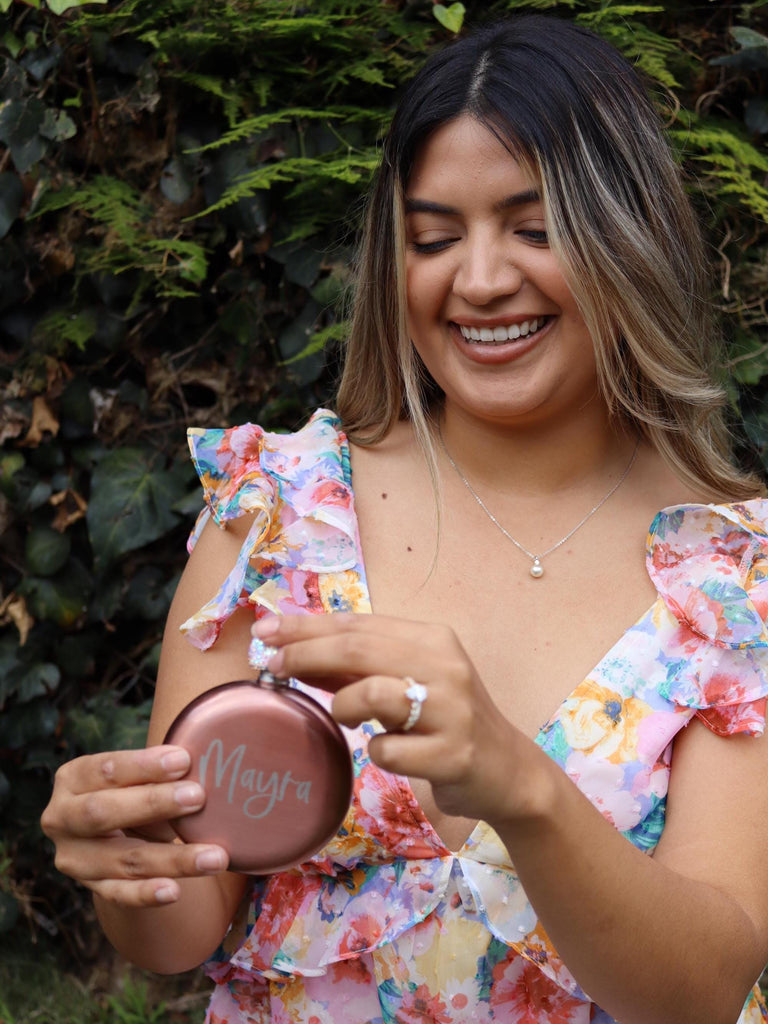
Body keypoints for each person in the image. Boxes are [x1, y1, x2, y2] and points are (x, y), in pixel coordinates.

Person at [41, 14, 768, 1024]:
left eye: (533, 227)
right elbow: (185, 924)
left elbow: (700, 988)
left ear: (626, 234)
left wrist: (524, 786)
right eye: (434, 238)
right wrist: (132, 869)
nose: (476, 281)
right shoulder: (282, 514)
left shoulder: (736, 576)